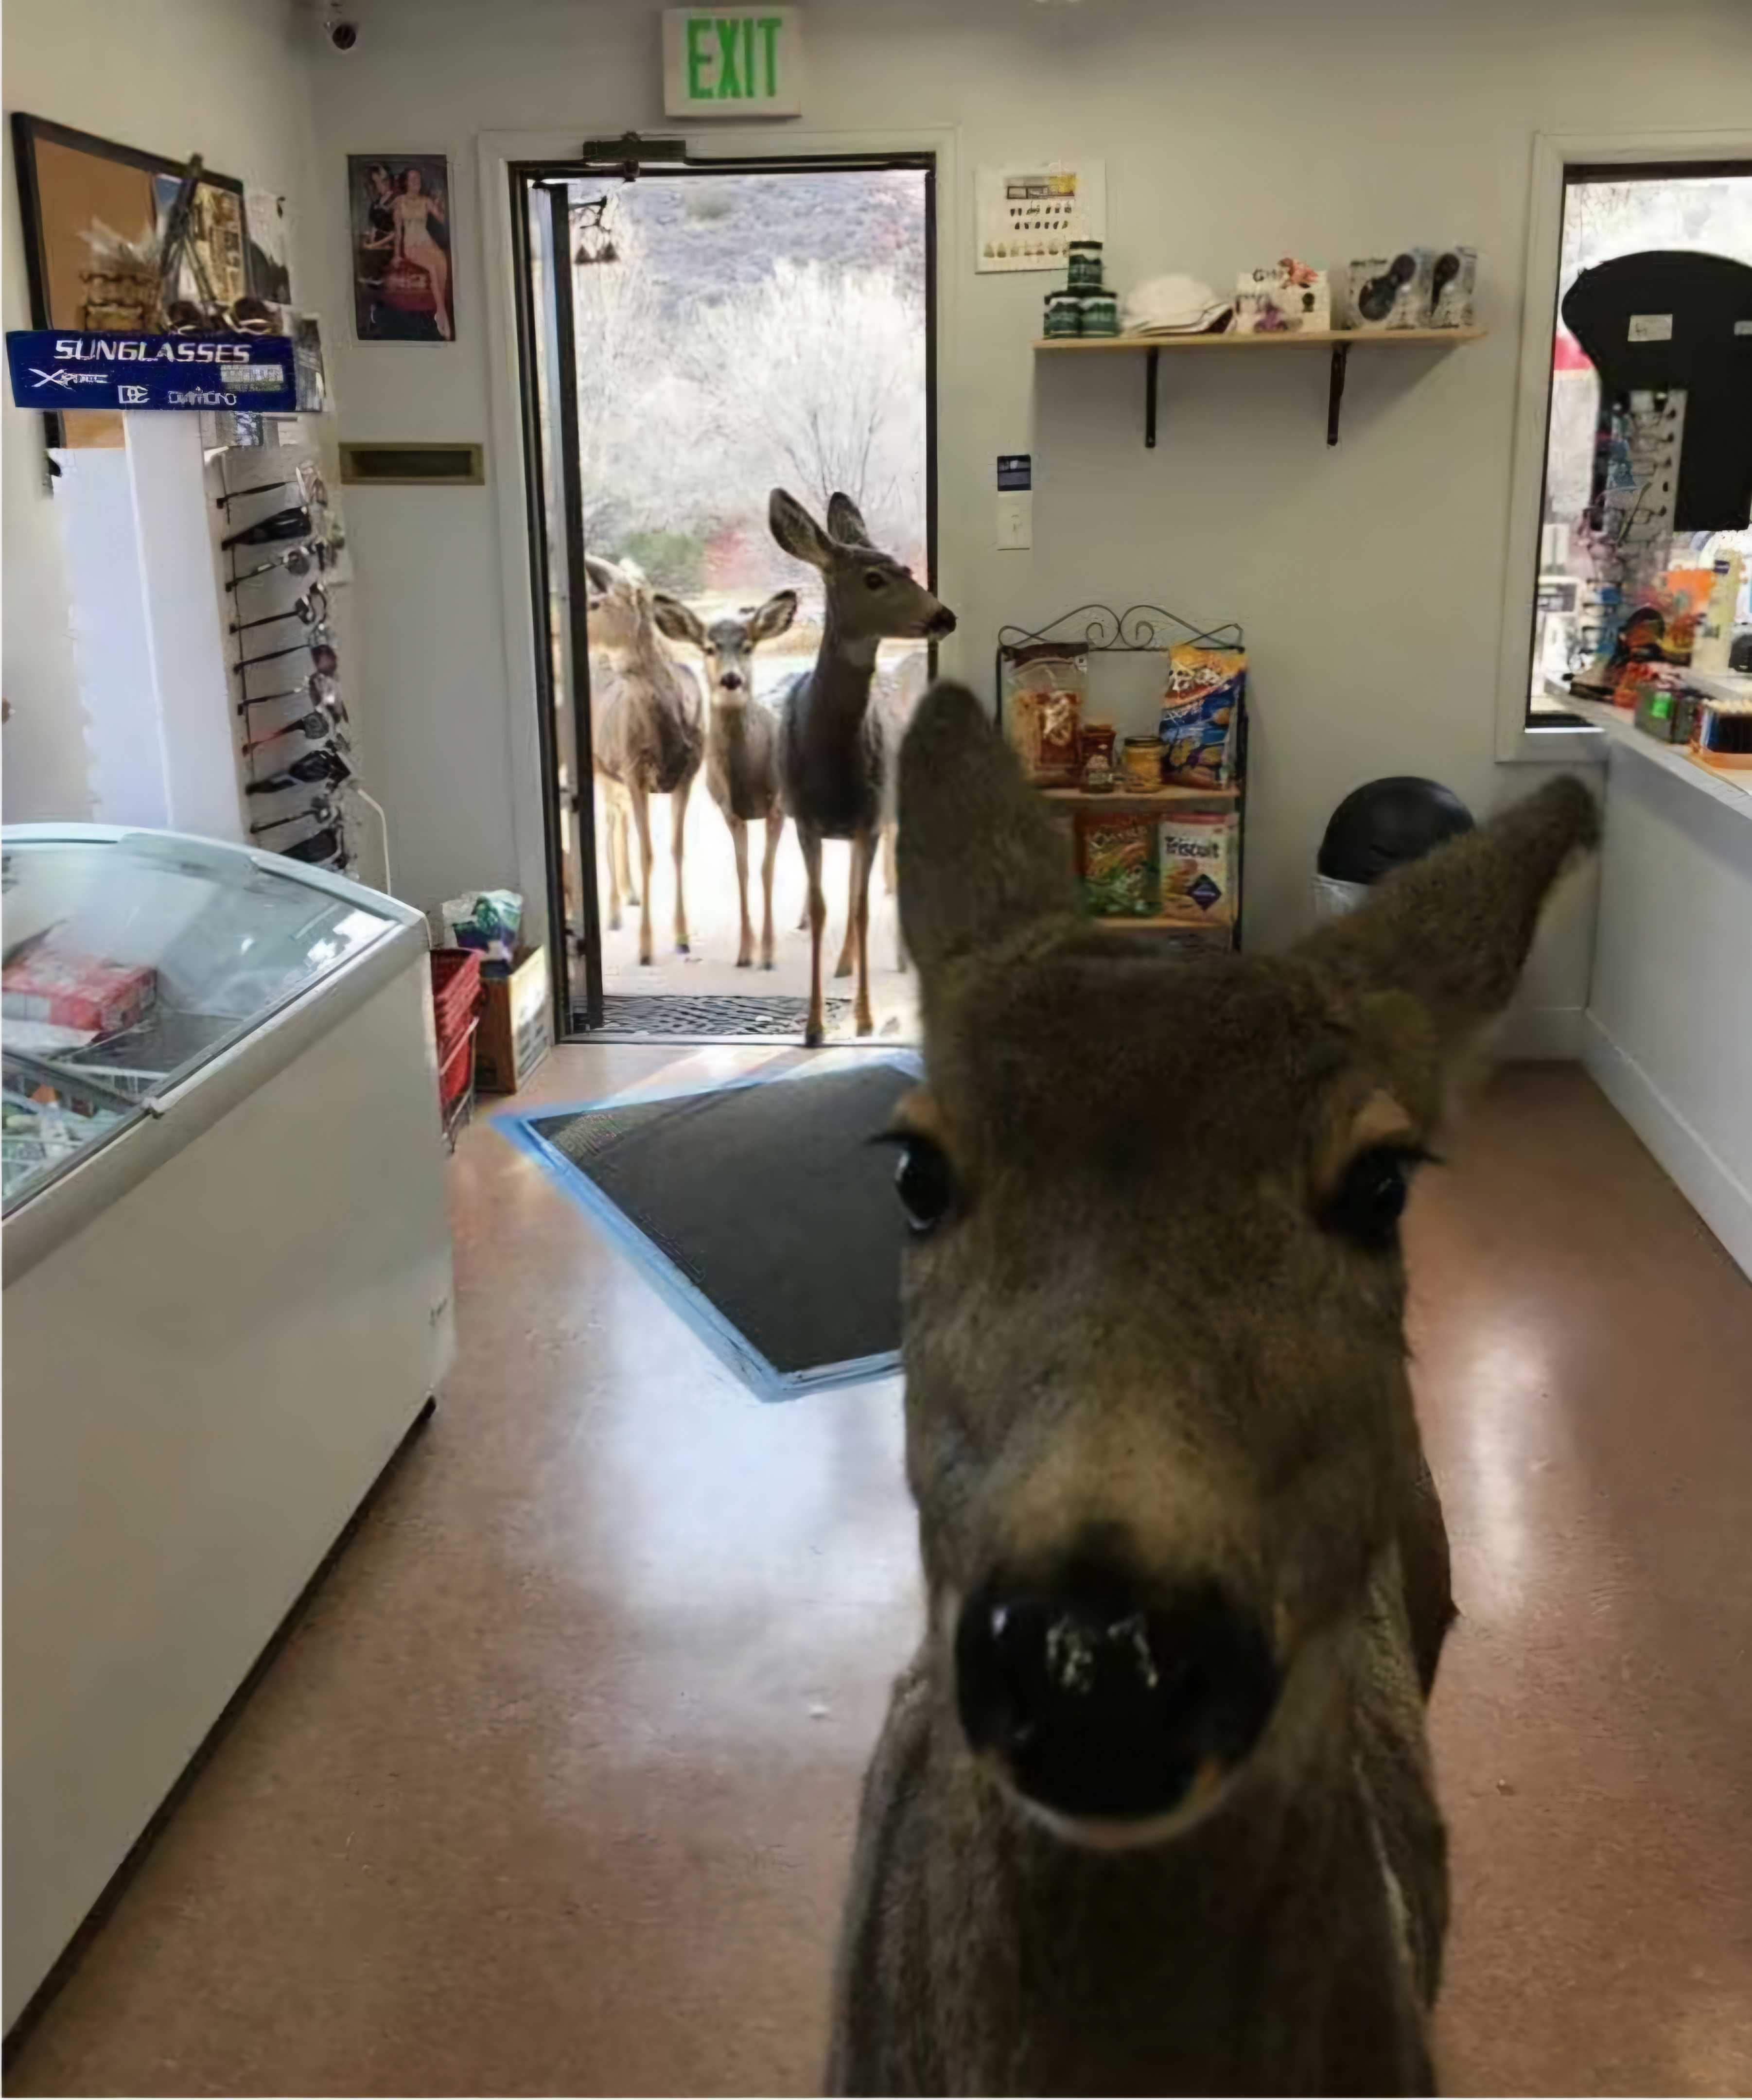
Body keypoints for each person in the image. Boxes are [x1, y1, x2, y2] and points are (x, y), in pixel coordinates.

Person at [393, 165, 451, 341]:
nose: (415, 182)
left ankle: (441, 309)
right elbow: (398, 232)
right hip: (412, 246)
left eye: (418, 179)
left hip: (427, 242)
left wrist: (441, 206)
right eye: (412, 179)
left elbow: (442, 219)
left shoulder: (426, 201)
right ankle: (442, 314)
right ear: (406, 182)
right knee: (432, 268)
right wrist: (397, 254)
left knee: (442, 262)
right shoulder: (400, 202)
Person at [357, 163, 395, 333]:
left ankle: (380, 316)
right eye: (376, 182)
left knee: (371, 260)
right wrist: (369, 237)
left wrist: (374, 245)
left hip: (390, 243)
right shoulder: (377, 202)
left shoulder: (396, 201)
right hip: (377, 242)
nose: (379, 186)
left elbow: (395, 233)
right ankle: (370, 316)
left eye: (381, 181)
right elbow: (375, 226)